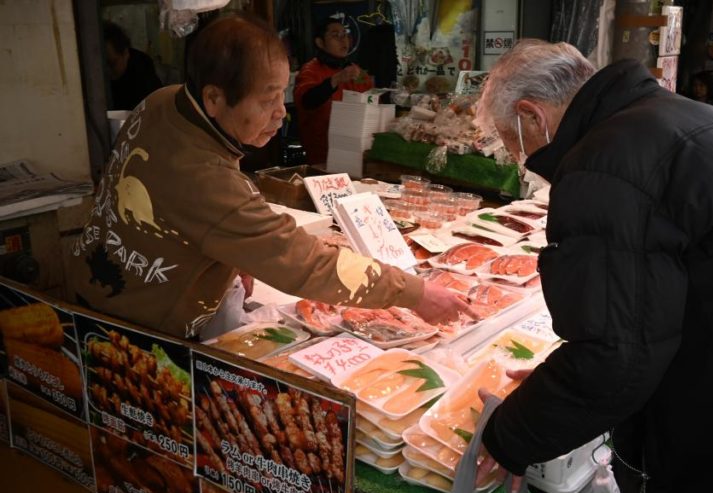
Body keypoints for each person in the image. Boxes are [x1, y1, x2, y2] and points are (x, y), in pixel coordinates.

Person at [473, 39, 713, 493]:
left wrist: (510, 435)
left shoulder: (604, 164)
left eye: (512, 144)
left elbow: (616, 358)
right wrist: (560, 380)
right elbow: (642, 320)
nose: (520, 160)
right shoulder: (679, 113)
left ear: (532, 116)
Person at [65, 14, 471, 340]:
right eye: (267, 99)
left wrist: (229, 250)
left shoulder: (164, 100)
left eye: (283, 93)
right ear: (214, 98)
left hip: (93, 277)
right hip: (132, 326)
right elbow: (303, 263)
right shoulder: (205, 180)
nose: (282, 112)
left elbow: (194, 202)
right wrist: (415, 293)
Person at [294, 17, 374, 164]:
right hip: (322, 154)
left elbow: (373, 100)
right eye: (335, 36)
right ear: (320, 43)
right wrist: (335, 80)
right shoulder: (310, 70)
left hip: (357, 152)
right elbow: (307, 101)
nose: (343, 40)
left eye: (345, 35)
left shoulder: (356, 71)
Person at [104, 20, 162, 111]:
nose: (107, 70)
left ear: (126, 54)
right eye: (103, 65)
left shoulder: (142, 70)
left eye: (112, 63)